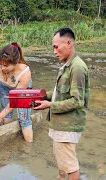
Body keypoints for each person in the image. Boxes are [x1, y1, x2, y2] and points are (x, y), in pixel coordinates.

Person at [34, 28, 90, 179]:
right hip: (61, 124)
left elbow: (77, 101)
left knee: (71, 168)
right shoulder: (66, 65)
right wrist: (43, 97)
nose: (54, 51)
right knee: (63, 164)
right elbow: (60, 93)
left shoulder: (77, 67)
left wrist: (49, 106)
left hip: (67, 126)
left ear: (69, 43)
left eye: (56, 47)